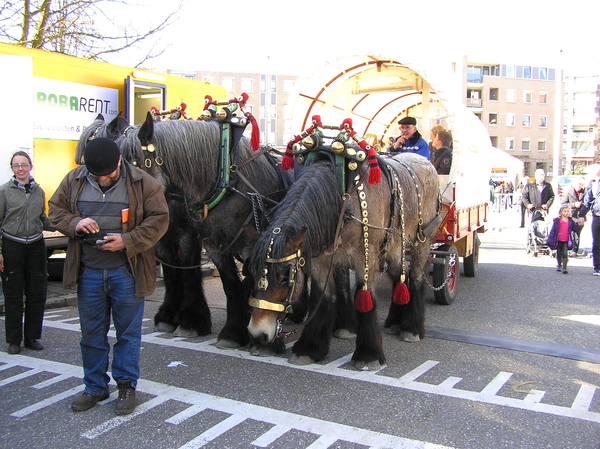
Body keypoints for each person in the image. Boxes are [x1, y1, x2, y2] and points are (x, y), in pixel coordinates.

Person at [48, 138, 169, 415]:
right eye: (96, 174)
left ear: (119, 161)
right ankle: (94, 386)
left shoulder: (143, 182)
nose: (102, 178)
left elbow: (159, 220)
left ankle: (126, 386)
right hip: (88, 271)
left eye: (108, 173)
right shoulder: (75, 179)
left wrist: (127, 241)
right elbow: (55, 210)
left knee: (128, 334)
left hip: (126, 272)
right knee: (91, 334)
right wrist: (75, 223)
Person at [1, 151, 55, 355]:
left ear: (30, 166)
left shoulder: (39, 191)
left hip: (35, 245)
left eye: (24, 165)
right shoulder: (4, 191)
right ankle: (14, 340)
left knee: (37, 293)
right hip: (11, 245)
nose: (21, 169)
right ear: (12, 168)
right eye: (16, 165)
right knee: (13, 294)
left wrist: (67, 224)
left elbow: (42, 219)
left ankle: (32, 337)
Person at [577, 165, 600, 276]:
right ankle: (597, 267)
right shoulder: (592, 186)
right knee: (596, 243)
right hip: (597, 217)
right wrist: (581, 215)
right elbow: (587, 202)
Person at [546, 205, 580, 274]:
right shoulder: (557, 221)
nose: (567, 213)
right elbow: (553, 230)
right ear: (560, 212)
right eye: (565, 211)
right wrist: (550, 238)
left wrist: (580, 225)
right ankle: (559, 265)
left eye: (568, 211)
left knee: (565, 253)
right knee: (559, 253)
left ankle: (565, 267)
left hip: (566, 240)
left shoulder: (570, 221)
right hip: (558, 239)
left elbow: (575, 229)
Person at [561, 177, 586, 256]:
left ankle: (575, 250)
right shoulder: (569, 192)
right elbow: (564, 203)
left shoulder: (585, 192)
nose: (579, 186)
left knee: (577, 233)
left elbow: (587, 203)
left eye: (580, 184)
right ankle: (571, 249)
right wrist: (573, 205)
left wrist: (581, 204)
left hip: (581, 216)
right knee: (572, 233)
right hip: (571, 215)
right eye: (578, 184)